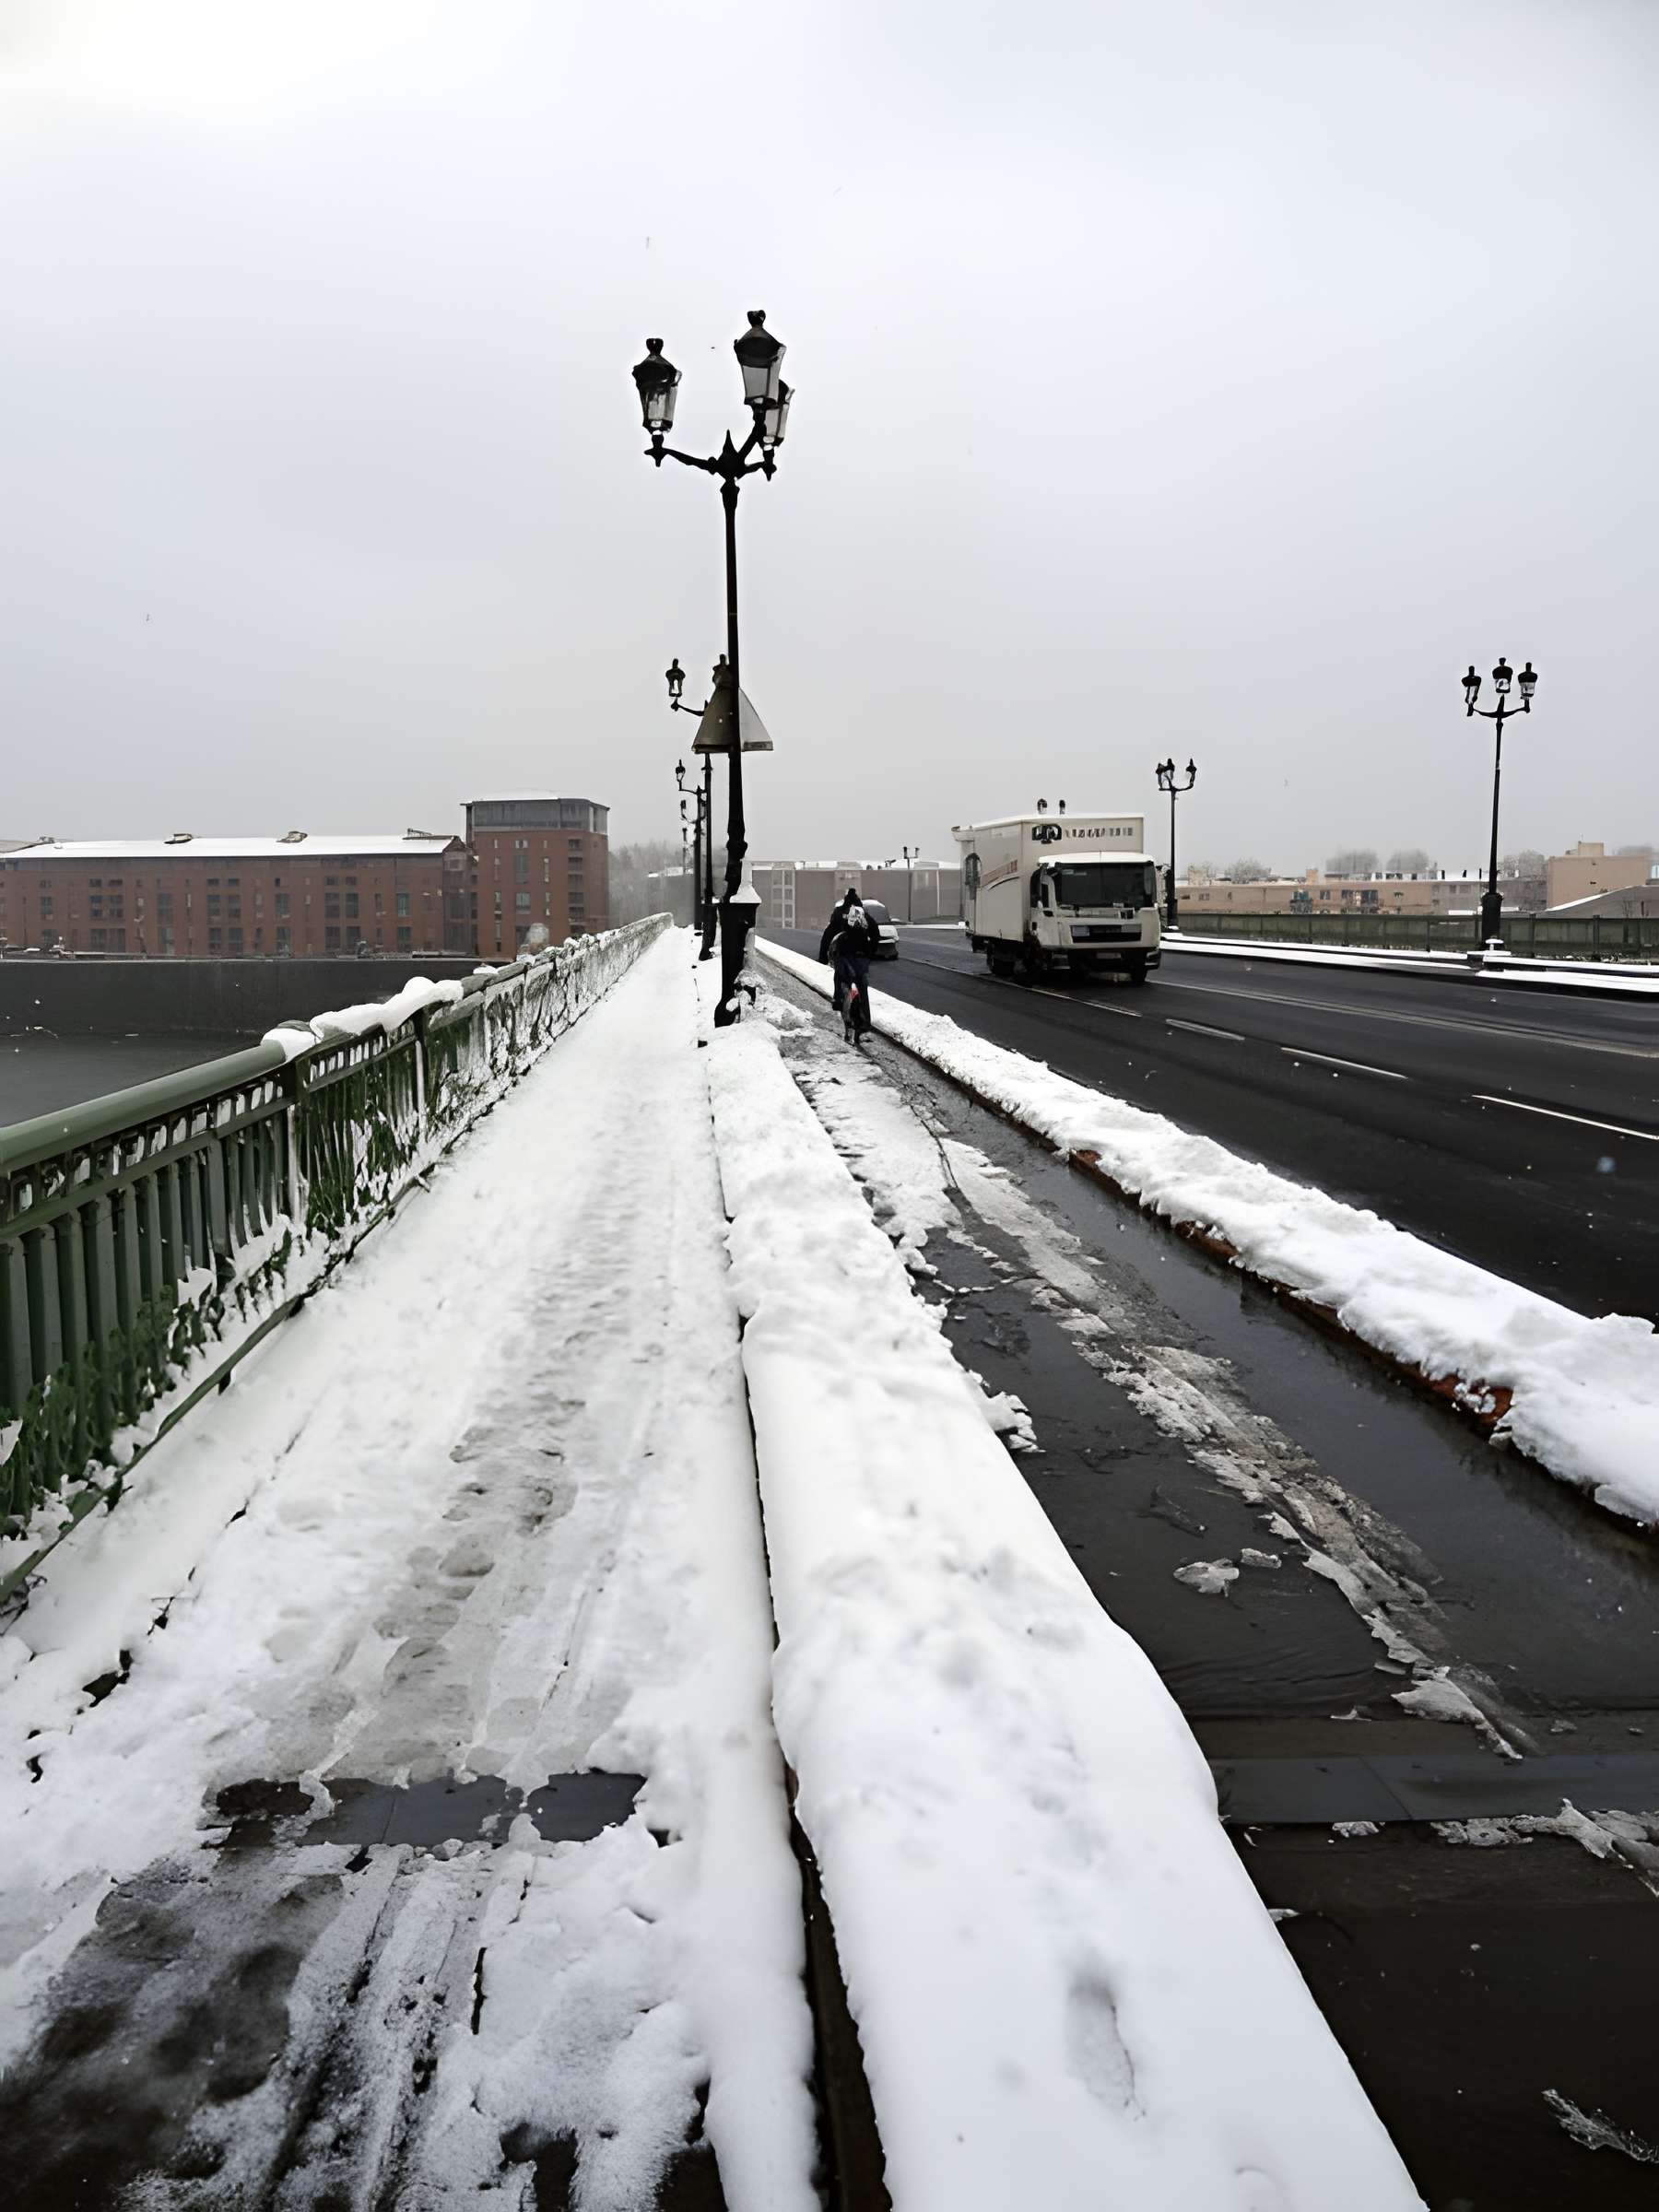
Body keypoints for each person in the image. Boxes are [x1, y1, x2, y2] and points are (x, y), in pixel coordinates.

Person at [818, 888, 877, 1041]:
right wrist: (871, 952)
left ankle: (839, 1002)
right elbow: (875, 932)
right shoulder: (863, 914)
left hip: (843, 956)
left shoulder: (839, 913)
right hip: (862, 957)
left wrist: (822, 957)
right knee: (863, 988)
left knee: (841, 983)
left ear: (845, 900)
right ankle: (865, 1022)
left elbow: (828, 935)